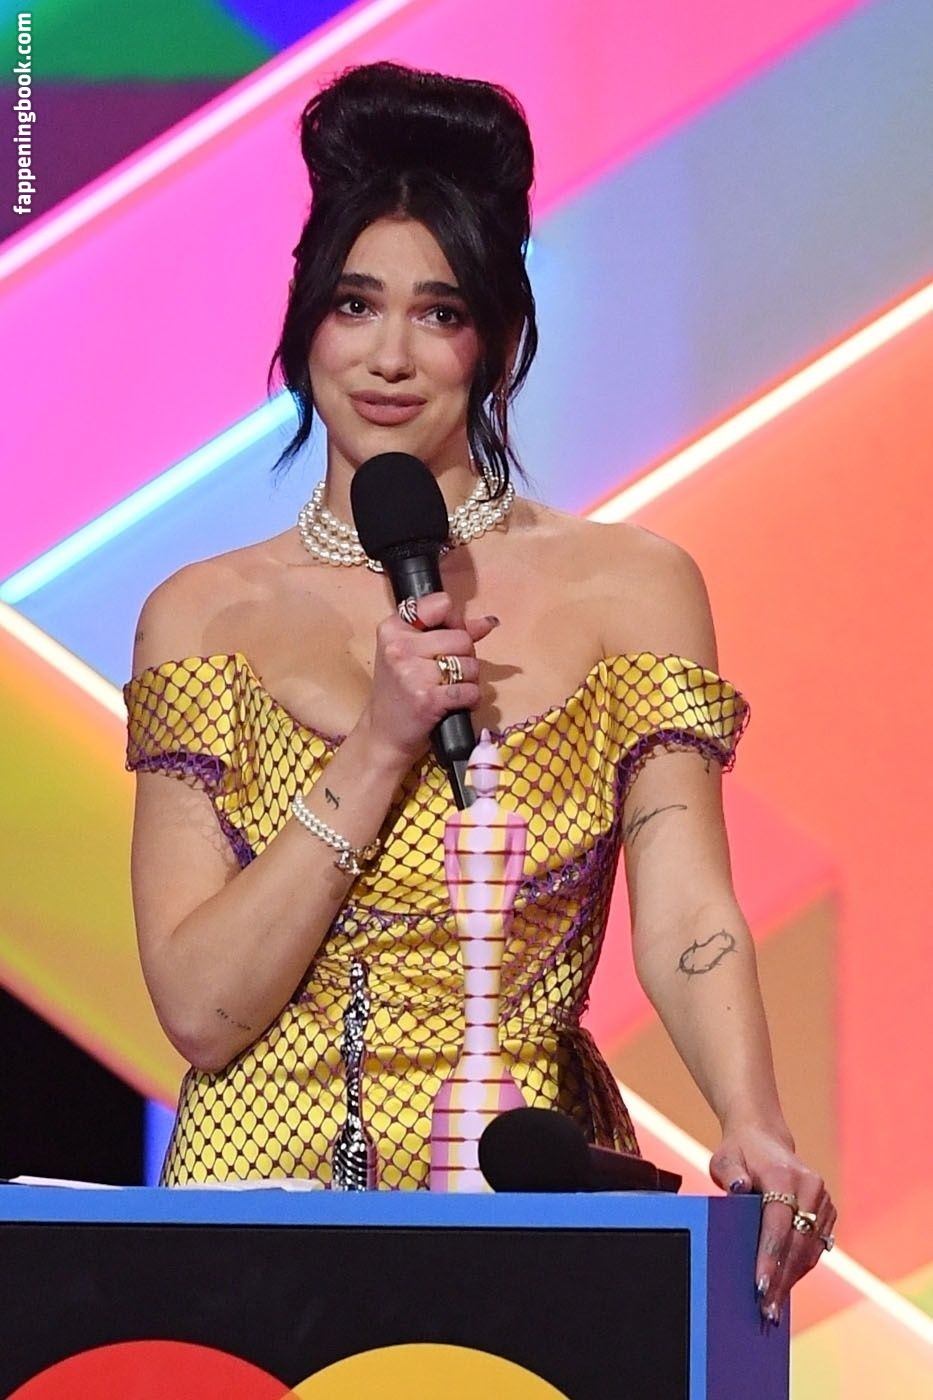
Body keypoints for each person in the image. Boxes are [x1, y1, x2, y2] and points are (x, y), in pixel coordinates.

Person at [124, 60, 834, 1324]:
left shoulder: (631, 588)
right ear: (305, 324)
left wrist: (753, 1114)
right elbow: (200, 1009)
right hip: (264, 1211)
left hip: (524, 1184)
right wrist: (380, 741)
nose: (389, 356)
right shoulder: (202, 615)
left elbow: (686, 905)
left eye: (440, 312)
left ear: (499, 341)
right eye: (355, 304)